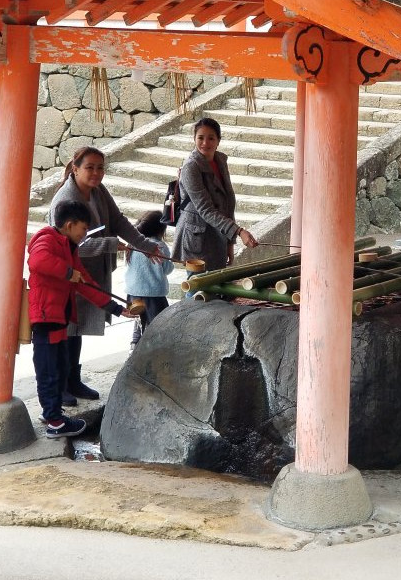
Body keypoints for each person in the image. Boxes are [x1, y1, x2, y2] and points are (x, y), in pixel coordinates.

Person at [49, 146, 159, 405]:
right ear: (75, 169)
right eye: (90, 167)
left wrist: (144, 244)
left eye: (100, 168)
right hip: (69, 273)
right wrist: (111, 244)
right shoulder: (65, 199)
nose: (96, 173)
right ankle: (59, 386)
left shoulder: (98, 191)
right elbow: (73, 243)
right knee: (65, 330)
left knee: (77, 329)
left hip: (93, 271)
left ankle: (73, 381)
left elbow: (118, 220)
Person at [28, 200, 135, 438]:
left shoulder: (69, 247)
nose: (85, 234)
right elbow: (37, 261)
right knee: (49, 370)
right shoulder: (46, 239)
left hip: (59, 318)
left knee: (58, 367)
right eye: (83, 229)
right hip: (45, 318)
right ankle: (55, 422)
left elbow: (85, 283)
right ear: (69, 225)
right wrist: (68, 272)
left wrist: (115, 308)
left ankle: (51, 412)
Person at [171, 117, 258, 273]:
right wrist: (238, 231)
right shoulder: (191, 167)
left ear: (218, 140)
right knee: (197, 287)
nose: (205, 143)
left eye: (211, 138)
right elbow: (206, 209)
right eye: (201, 138)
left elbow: (228, 203)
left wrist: (229, 243)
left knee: (216, 285)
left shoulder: (220, 160)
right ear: (194, 139)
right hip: (196, 236)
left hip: (218, 235)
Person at [125, 210, 174, 347]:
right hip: (153, 295)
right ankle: (154, 351)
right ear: (160, 229)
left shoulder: (132, 244)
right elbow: (167, 269)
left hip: (133, 293)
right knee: (158, 325)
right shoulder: (160, 246)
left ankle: (134, 347)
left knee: (139, 322)